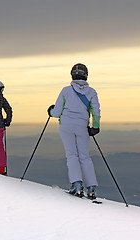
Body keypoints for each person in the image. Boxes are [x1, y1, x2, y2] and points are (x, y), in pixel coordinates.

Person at [48, 63, 100, 199]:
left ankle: (77, 185)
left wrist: (50, 111)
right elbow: (96, 111)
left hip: (66, 125)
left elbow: (57, 112)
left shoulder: (66, 91)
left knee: (71, 155)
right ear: (86, 75)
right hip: (82, 126)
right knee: (84, 156)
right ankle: (92, 187)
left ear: (72, 74)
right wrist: (95, 126)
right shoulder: (92, 92)